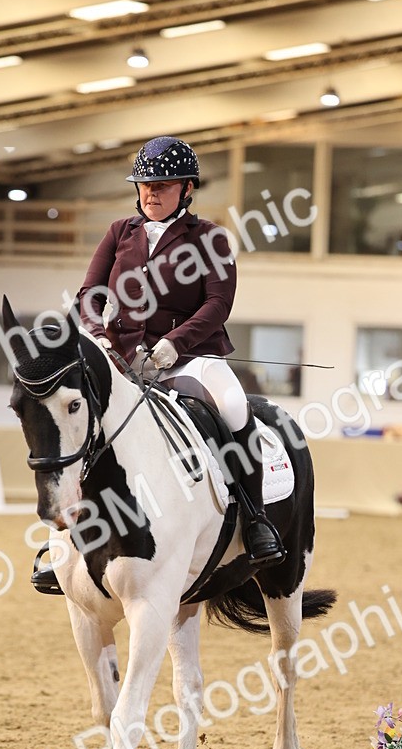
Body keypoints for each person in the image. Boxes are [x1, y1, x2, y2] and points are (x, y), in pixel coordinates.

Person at [31, 135, 285, 594]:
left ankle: (255, 519)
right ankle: (64, 544)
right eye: (145, 184)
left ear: (187, 188)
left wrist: (173, 343)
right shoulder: (118, 233)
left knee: (234, 408)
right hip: (123, 360)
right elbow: (91, 294)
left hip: (189, 358)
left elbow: (217, 303)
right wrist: (102, 338)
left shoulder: (210, 238)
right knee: (80, 422)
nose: (151, 193)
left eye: (163, 185)